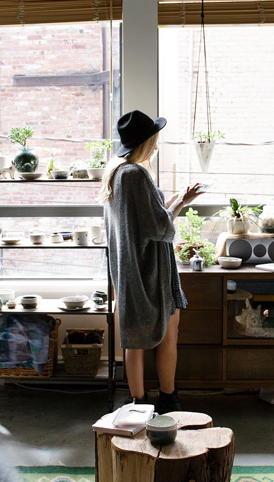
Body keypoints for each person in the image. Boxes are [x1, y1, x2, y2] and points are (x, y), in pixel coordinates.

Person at [99, 109, 205, 413]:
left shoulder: (117, 174)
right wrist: (180, 206)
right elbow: (159, 228)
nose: (156, 146)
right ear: (145, 142)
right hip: (150, 273)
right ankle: (168, 400)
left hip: (129, 273)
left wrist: (176, 200)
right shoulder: (137, 174)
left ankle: (138, 404)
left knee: (133, 338)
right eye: (154, 140)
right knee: (168, 333)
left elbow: (144, 219)